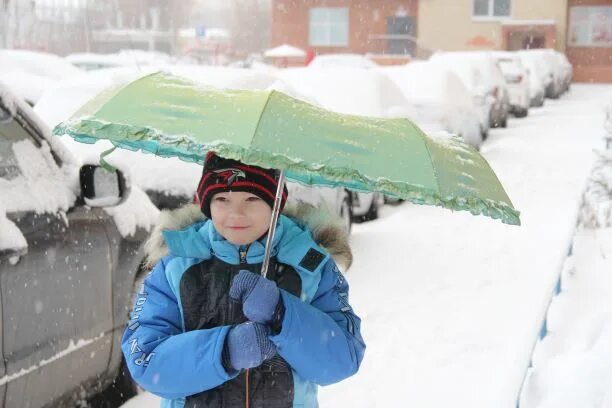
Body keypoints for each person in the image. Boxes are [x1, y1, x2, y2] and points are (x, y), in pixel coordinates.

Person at [121, 152, 365, 408]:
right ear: (206, 203)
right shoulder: (175, 264)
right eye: (222, 199)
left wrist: (283, 313)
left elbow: (342, 359)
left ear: (275, 204)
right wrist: (224, 351)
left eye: (252, 198)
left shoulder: (309, 263)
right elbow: (144, 359)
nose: (236, 213)